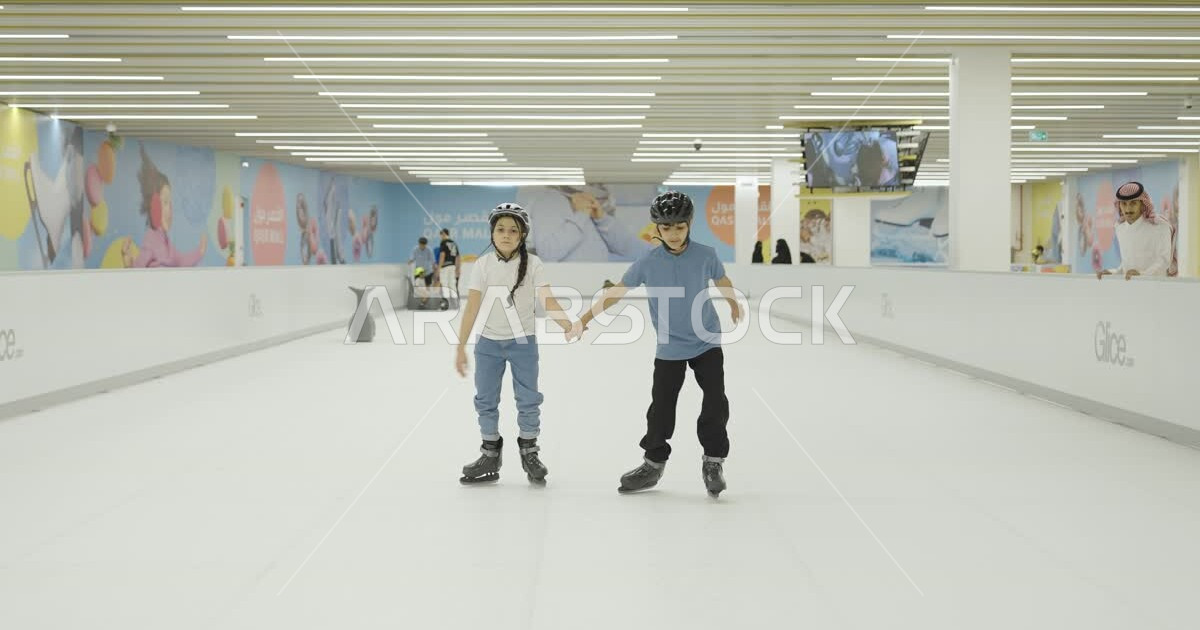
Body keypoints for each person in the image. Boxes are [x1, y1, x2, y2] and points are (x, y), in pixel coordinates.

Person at [572, 191, 741, 498]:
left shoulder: (706, 254)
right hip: (670, 347)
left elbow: (722, 279)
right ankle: (653, 463)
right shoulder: (648, 261)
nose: (673, 234)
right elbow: (617, 292)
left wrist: (732, 304)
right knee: (661, 407)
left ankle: (713, 462)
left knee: (716, 401)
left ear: (689, 224)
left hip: (707, 341)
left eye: (679, 226)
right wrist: (586, 318)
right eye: (667, 228)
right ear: (657, 229)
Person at [455, 203, 578, 485]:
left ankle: (530, 451)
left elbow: (547, 299)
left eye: (513, 230)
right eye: (501, 229)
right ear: (492, 233)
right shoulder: (482, 265)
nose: (506, 235)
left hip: (523, 342)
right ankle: (489, 454)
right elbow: (472, 308)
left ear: (522, 235)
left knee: (528, 399)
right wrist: (460, 347)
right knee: (485, 400)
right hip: (488, 343)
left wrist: (567, 324)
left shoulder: (534, 264)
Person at [1097, 181, 1176, 280]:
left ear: (1142, 204)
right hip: (1131, 289)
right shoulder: (1120, 228)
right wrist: (1113, 273)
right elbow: (1127, 264)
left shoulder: (1160, 226)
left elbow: (1164, 261)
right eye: (1124, 204)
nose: (1128, 208)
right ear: (1119, 206)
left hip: (1156, 287)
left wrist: (1142, 275)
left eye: (1133, 203)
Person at [408, 237, 435, 307]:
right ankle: (424, 298)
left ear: (426, 244)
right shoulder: (415, 249)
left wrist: (435, 270)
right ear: (419, 243)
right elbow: (412, 258)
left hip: (428, 271)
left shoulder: (429, 250)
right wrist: (410, 261)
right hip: (418, 270)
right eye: (421, 245)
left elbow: (432, 261)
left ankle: (424, 301)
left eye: (424, 245)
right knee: (417, 286)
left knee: (427, 287)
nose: (422, 246)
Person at [437, 227, 460, 301]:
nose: (440, 237)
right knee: (452, 284)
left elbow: (442, 255)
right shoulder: (453, 243)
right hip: (452, 266)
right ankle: (455, 303)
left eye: (440, 235)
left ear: (443, 234)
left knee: (445, 285)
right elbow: (457, 257)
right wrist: (457, 268)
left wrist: (439, 267)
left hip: (445, 266)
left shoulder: (443, 242)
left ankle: (447, 303)